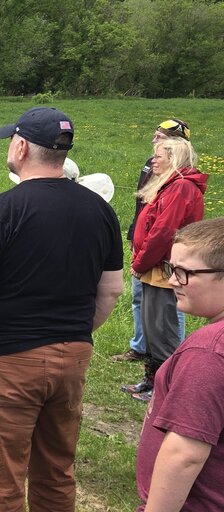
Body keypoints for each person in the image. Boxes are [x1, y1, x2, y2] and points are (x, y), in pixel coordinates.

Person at [0, 107, 123, 511]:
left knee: (1, 475)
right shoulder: (100, 210)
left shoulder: (2, 209)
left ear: (21, 147)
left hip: (10, 360)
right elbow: (111, 291)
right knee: (56, 472)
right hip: (73, 356)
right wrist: (72, 332)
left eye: (11, 140)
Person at [135, 217, 224, 511]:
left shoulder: (208, 352)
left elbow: (185, 454)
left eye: (184, 272)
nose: (173, 280)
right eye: (171, 269)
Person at [125, 137, 207, 402]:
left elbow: (163, 232)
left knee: (163, 330)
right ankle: (150, 381)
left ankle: (164, 389)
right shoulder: (169, 185)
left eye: (158, 156)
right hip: (154, 268)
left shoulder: (181, 187)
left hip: (162, 269)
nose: (153, 161)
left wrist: (140, 263)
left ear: (173, 159)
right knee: (151, 328)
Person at [113, 119, 192, 365]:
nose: (153, 141)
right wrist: (133, 237)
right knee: (144, 304)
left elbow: (164, 228)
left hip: (162, 259)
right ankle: (144, 352)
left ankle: (168, 364)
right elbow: (143, 209)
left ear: (176, 148)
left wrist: (143, 258)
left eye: (160, 138)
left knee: (167, 312)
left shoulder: (179, 185)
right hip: (146, 251)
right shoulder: (154, 168)